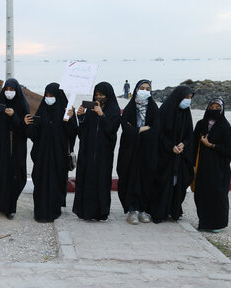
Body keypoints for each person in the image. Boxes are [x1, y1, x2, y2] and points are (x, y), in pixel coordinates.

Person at [25, 82, 78, 222]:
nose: (49, 98)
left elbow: (73, 132)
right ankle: (40, 211)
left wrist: (71, 118)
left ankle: (55, 209)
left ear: (58, 96)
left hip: (58, 156)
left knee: (57, 182)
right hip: (42, 156)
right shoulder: (42, 110)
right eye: (46, 95)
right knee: (41, 183)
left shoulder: (66, 111)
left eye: (52, 95)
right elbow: (34, 135)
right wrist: (29, 124)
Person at [73, 82, 121, 221]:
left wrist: (102, 115)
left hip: (103, 155)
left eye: (102, 95)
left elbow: (111, 131)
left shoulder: (113, 110)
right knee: (87, 181)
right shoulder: (91, 110)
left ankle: (101, 213)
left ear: (108, 96)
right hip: (88, 154)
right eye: (96, 95)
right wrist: (81, 117)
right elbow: (82, 134)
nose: (98, 98)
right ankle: (86, 212)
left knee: (101, 182)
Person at [0, 78, 30, 219]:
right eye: (7, 89)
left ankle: (10, 208)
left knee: (13, 177)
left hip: (16, 148)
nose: (9, 92)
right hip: (1, 146)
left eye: (12, 90)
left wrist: (14, 116)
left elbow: (25, 129)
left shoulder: (23, 104)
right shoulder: (0, 102)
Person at [117, 79, 160, 225]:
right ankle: (131, 210)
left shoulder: (154, 109)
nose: (145, 91)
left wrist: (135, 130)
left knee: (146, 179)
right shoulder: (130, 109)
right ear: (135, 89)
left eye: (148, 88)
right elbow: (125, 128)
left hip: (147, 152)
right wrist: (142, 129)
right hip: (130, 152)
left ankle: (143, 210)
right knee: (130, 178)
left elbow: (156, 130)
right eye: (142, 88)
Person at [151, 85, 194, 223]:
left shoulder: (186, 112)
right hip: (165, 155)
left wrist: (184, 144)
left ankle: (174, 210)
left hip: (180, 154)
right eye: (186, 97)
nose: (188, 101)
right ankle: (160, 211)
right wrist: (170, 147)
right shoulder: (164, 111)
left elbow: (189, 134)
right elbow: (158, 133)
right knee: (163, 183)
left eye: (190, 98)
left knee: (178, 183)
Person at [192, 98, 231, 232]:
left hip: (219, 168)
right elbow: (193, 144)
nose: (214, 110)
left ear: (222, 110)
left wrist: (211, 145)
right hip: (203, 167)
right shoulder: (201, 124)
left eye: (217, 108)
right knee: (202, 194)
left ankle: (217, 224)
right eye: (212, 107)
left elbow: (228, 150)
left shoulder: (225, 127)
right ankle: (203, 223)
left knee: (217, 195)